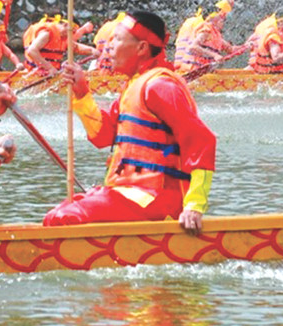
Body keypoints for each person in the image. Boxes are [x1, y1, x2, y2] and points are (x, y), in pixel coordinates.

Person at [45, 12, 214, 232]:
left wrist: (194, 206)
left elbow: (202, 141)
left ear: (142, 48)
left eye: (116, 39)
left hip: (155, 197)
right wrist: (82, 93)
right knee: (61, 210)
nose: (109, 46)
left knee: (62, 218)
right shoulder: (133, 86)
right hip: (131, 193)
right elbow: (103, 136)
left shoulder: (160, 86)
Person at [173, 0, 245, 74]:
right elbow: (193, 47)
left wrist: (246, 46)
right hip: (192, 71)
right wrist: (214, 55)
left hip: (181, 69)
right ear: (213, 18)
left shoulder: (193, 23)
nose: (223, 21)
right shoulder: (206, 29)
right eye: (222, 18)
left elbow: (230, 49)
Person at [23, 14, 94, 74]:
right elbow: (31, 51)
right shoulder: (47, 33)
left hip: (50, 72)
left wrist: (93, 51)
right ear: (65, 25)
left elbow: (75, 46)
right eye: (72, 31)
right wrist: (49, 68)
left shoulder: (62, 36)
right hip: (36, 72)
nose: (72, 35)